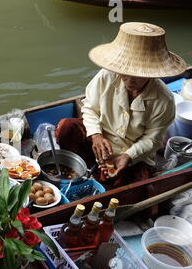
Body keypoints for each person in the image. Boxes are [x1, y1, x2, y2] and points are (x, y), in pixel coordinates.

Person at [55, 22, 187, 188]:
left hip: (131, 153)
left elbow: (152, 140)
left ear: (151, 73)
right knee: (66, 128)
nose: (130, 81)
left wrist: (128, 156)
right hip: (99, 139)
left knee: (135, 192)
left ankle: (101, 174)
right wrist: (96, 135)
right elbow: (89, 108)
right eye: (126, 73)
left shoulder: (164, 100)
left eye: (138, 75)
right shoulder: (106, 76)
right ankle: (87, 167)